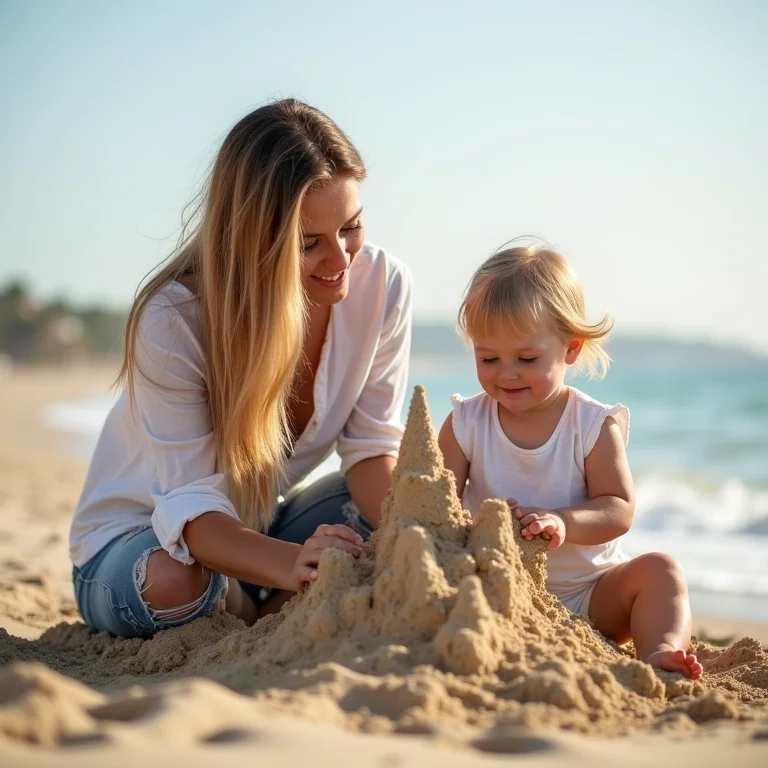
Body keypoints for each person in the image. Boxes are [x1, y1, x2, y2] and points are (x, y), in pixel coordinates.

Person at [70, 98, 412, 638]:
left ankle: (262, 601)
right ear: (255, 239)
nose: (342, 260)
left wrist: (412, 536)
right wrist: (292, 564)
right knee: (181, 580)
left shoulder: (382, 285)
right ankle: (259, 604)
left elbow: (371, 451)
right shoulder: (173, 319)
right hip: (143, 541)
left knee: (403, 508)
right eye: (309, 244)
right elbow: (194, 512)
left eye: (351, 226)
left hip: (262, 528)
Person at [438, 241, 702, 679]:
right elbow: (434, 503)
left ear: (572, 348)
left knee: (662, 571)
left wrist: (561, 522)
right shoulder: (467, 421)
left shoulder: (592, 425)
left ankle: (661, 653)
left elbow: (617, 508)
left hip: (589, 597)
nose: (506, 372)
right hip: (495, 592)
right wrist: (479, 525)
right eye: (488, 358)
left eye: (526, 358)